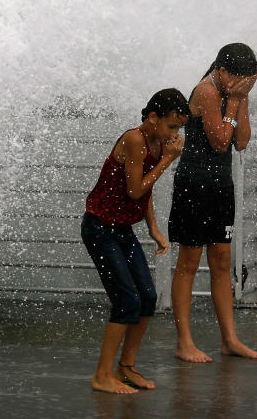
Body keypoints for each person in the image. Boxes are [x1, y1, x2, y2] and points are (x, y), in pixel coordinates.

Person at [82, 88, 190, 394]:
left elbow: (147, 188)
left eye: (179, 129)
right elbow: (135, 190)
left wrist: (153, 227)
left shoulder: (156, 143)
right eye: (171, 126)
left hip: (122, 230)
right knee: (127, 300)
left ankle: (126, 368)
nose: (174, 134)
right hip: (100, 229)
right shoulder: (134, 139)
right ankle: (102, 375)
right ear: (153, 118)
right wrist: (167, 161)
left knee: (147, 297)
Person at [168, 43, 257, 362]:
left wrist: (240, 99)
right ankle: (184, 343)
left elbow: (242, 142)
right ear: (221, 72)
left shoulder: (238, 92)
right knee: (189, 263)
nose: (244, 84)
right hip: (194, 186)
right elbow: (221, 142)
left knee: (222, 261)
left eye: (249, 80)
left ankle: (230, 340)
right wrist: (235, 102)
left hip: (221, 187)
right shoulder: (207, 91)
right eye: (239, 79)